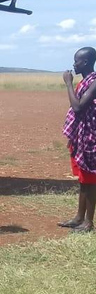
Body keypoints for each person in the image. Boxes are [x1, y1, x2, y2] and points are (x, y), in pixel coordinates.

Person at [58, 46, 96, 233]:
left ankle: (88, 222)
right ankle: (79, 217)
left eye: (77, 61)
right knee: (83, 179)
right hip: (82, 136)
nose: (74, 64)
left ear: (86, 62)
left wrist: (68, 84)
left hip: (91, 137)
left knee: (90, 179)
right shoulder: (85, 82)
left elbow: (79, 108)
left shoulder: (94, 82)